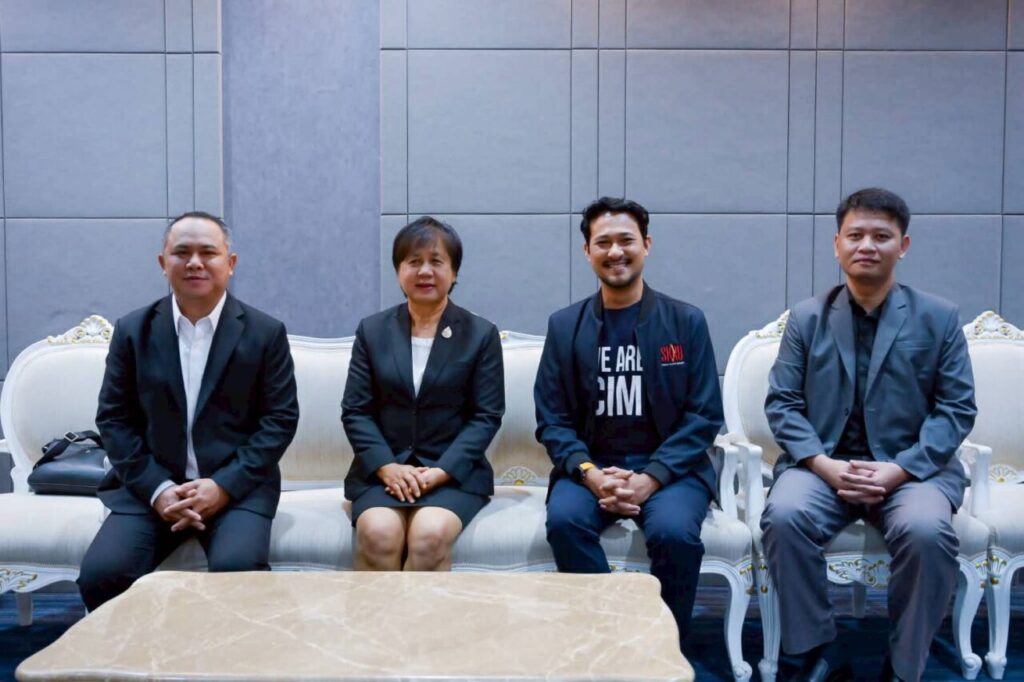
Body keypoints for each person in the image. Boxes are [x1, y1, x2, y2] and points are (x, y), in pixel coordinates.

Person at [760, 188, 977, 682]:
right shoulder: (807, 317)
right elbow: (782, 403)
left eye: (881, 236)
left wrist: (899, 469)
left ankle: (903, 665)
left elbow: (956, 408)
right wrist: (823, 465)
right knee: (785, 516)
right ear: (836, 243)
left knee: (927, 532)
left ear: (903, 245)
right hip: (824, 467)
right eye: (855, 235)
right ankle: (818, 649)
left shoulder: (938, 316)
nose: (867, 246)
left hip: (911, 470)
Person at [78, 211, 299, 610]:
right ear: (163, 263)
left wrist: (222, 486)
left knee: (239, 573)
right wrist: (159, 490)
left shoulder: (265, 333)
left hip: (235, 489)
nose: (195, 262)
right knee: (103, 574)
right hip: (152, 491)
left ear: (230, 263)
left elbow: (279, 421)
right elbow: (115, 419)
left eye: (208, 253)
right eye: (182, 253)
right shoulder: (133, 331)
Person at [534, 197, 723, 650]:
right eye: (603, 243)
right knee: (565, 524)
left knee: (674, 534)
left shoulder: (685, 321)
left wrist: (650, 478)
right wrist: (590, 473)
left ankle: (665, 649)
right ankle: (612, 640)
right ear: (587, 252)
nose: (615, 251)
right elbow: (552, 419)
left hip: (672, 470)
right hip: (590, 468)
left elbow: (704, 415)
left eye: (626, 240)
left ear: (646, 245)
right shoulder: (564, 326)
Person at [342, 216, 504, 571]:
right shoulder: (372, 331)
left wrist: (441, 471)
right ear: (398, 271)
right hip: (383, 471)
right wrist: (386, 467)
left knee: (429, 534)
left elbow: (486, 416)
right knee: (379, 533)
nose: (425, 271)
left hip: (452, 474)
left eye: (436, 261)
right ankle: (371, 612)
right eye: (414, 261)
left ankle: (423, 615)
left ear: (454, 272)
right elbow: (355, 411)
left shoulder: (480, 334)